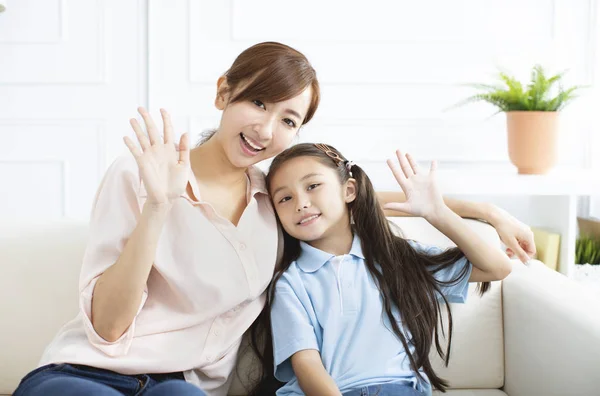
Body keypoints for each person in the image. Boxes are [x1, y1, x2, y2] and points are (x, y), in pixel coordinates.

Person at [13, 42, 534, 396]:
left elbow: (359, 199)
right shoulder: (142, 175)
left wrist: (484, 210)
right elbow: (106, 326)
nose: (265, 129)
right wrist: (158, 207)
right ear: (223, 93)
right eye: (257, 102)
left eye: (288, 119)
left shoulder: (275, 198)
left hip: (177, 383)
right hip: (85, 372)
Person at [265, 143, 513, 396]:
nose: (300, 204)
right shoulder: (290, 282)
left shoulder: (398, 259)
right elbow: (307, 364)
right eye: (285, 198)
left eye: (312, 186)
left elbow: (497, 268)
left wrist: (437, 213)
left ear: (349, 190)